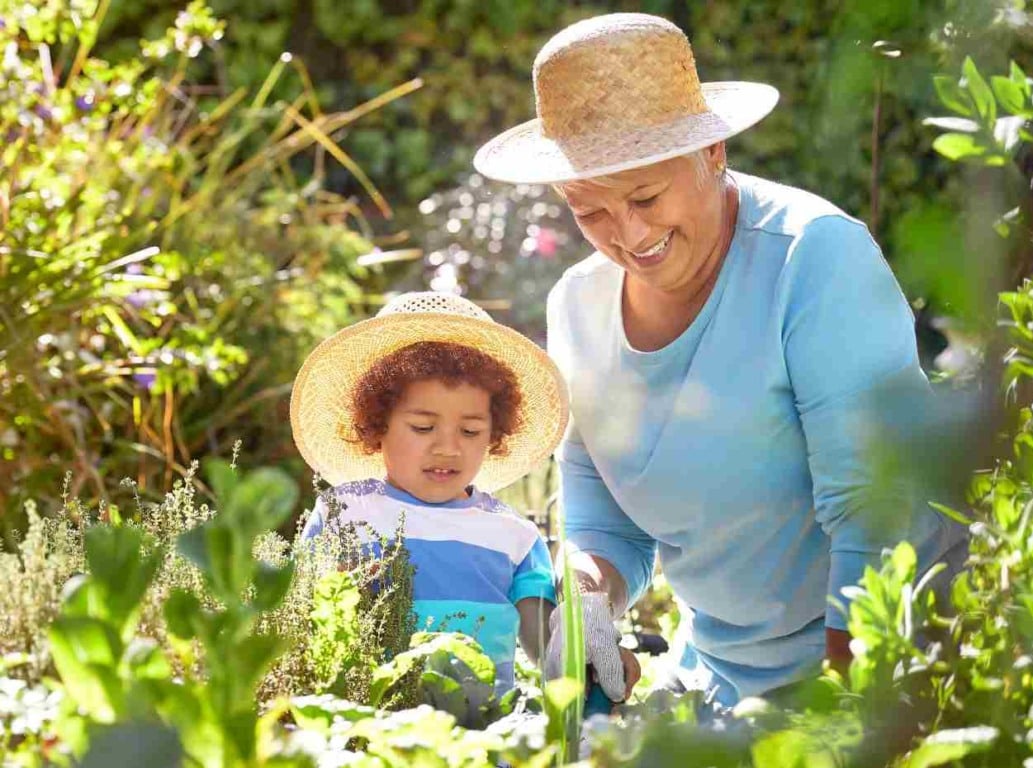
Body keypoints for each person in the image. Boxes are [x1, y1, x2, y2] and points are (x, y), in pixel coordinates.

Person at [474, 13, 968, 706]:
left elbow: (872, 512)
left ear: (712, 152)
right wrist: (586, 597)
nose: (630, 234)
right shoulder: (577, 307)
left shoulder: (812, 258)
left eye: (646, 196)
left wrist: (847, 723)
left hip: (889, 657)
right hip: (719, 673)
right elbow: (606, 518)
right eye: (592, 211)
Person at [289, 291, 574, 691]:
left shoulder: (515, 537)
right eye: (423, 428)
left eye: (471, 431)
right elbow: (303, 612)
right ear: (376, 426)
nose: (448, 447)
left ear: (494, 435)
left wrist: (583, 659)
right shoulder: (346, 514)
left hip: (484, 738)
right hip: (370, 729)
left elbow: (547, 647)